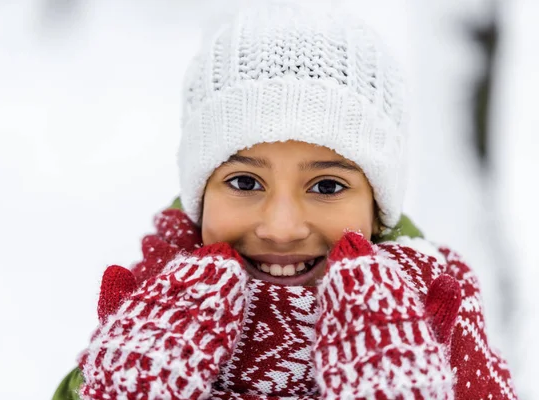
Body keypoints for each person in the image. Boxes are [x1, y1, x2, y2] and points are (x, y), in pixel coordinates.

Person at [53, 3, 517, 399]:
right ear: (200, 193)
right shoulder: (144, 323)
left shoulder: (441, 322)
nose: (281, 226)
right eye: (245, 182)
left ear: (377, 208)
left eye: (328, 187)